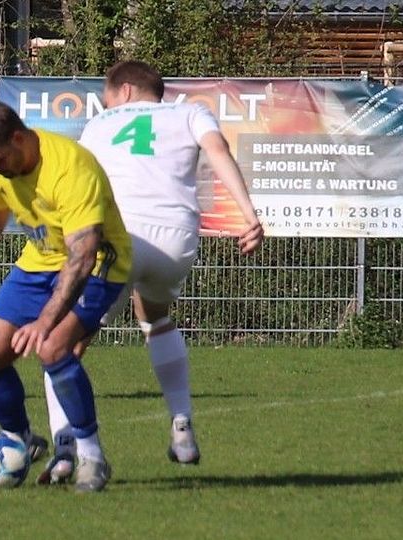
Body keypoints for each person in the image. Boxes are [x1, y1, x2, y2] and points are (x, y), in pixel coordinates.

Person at [39, 60, 265, 483]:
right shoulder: (190, 112)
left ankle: (69, 449)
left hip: (119, 238)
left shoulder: (100, 124)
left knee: (61, 343)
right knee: (155, 316)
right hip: (176, 240)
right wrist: (249, 215)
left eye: (108, 96)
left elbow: (78, 182)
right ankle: (182, 426)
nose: (107, 104)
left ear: (124, 91)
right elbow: (218, 151)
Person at [0, 101, 133, 492]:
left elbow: (83, 256)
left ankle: (91, 457)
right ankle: (21, 440)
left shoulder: (71, 168)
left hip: (99, 263)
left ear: (19, 138)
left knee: (53, 347)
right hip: (39, 263)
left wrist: (44, 321)